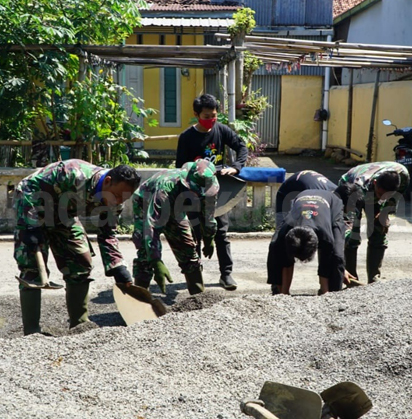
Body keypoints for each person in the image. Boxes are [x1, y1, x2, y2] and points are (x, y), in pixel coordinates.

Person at [14, 159, 141, 335]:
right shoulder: (73, 174)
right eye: (117, 195)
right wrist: (30, 224)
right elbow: (30, 187)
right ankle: (32, 331)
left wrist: (117, 266)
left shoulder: (115, 203)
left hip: (64, 215)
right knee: (32, 267)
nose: (118, 201)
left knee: (81, 262)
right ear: (108, 181)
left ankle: (79, 324)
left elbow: (107, 234)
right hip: (34, 205)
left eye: (124, 198)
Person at [175, 94, 248, 291]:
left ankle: (226, 274)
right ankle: (196, 276)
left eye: (214, 115)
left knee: (221, 233)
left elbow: (241, 147)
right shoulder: (186, 138)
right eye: (207, 116)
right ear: (196, 115)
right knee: (195, 233)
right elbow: (180, 168)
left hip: (218, 190)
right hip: (193, 192)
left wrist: (236, 167)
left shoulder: (222, 131)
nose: (211, 120)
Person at [131, 160, 219, 295]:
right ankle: (139, 298)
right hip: (146, 201)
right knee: (145, 252)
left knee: (188, 249)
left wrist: (209, 237)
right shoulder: (166, 187)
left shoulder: (210, 186)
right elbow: (152, 227)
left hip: (176, 209)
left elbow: (208, 215)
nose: (198, 196)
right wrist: (156, 261)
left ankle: (198, 296)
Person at [267, 187, 357, 295]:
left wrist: (326, 293)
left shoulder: (325, 235)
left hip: (331, 203)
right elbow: (284, 261)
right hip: (302, 197)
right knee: (275, 247)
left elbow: (325, 262)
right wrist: (283, 294)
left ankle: (334, 293)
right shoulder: (286, 230)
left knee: (337, 255)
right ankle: (280, 290)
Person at [339, 162, 409, 283]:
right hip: (353, 189)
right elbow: (348, 222)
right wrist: (345, 234)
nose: (382, 198)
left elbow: (394, 197)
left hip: (372, 189)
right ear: (376, 183)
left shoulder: (402, 175)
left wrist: (384, 213)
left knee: (379, 230)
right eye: (380, 194)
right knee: (352, 237)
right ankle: (351, 278)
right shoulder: (356, 185)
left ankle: (374, 277)